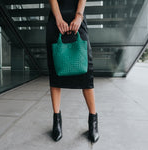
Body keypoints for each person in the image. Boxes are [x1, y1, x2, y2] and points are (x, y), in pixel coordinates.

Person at [46, 0, 99, 143]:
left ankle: (93, 121)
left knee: (86, 72)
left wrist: (79, 16)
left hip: (77, 17)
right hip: (56, 18)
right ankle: (57, 120)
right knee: (56, 71)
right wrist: (58, 18)